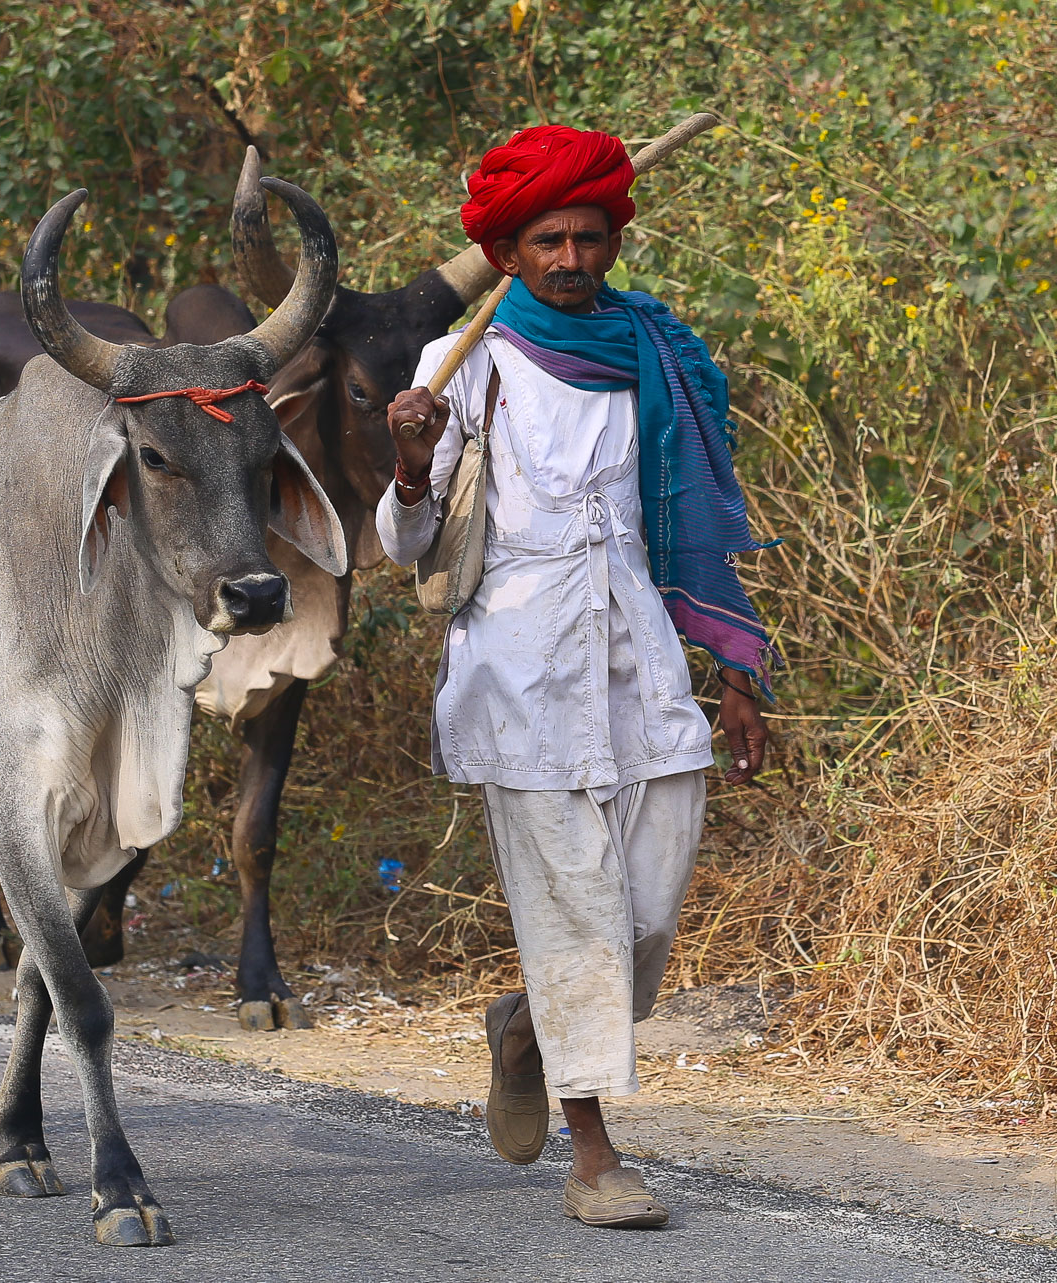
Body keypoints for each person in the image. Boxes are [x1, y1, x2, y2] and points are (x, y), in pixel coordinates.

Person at [377, 125, 778, 1229]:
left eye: (587, 235)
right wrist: (411, 466)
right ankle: (595, 1154)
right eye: (546, 238)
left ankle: (524, 1029)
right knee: (572, 915)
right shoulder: (464, 362)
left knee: (644, 913)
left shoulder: (657, 349)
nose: (569, 255)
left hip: (640, 659)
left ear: (612, 240)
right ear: (507, 253)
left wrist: (733, 670)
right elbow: (407, 546)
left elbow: (691, 523)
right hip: (519, 663)